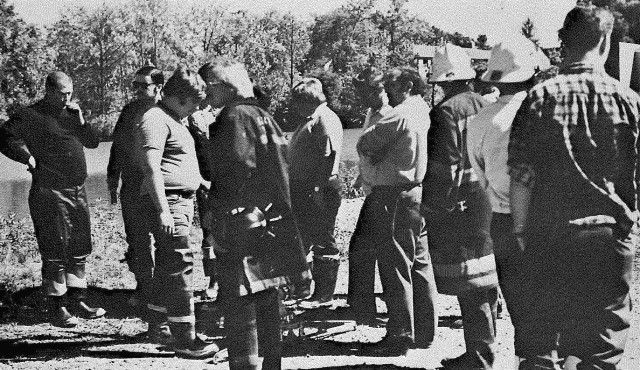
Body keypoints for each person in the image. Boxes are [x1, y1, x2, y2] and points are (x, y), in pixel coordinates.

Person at [508, 5, 639, 369]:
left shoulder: (539, 97)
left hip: (549, 232)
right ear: (606, 39)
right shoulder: (629, 101)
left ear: (564, 41)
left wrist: (520, 228)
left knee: (540, 339)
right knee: (600, 345)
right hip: (609, 234)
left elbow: (521, 174)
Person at [200, 58, 312, 370]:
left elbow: (236, 167)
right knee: (268, 292)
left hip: (243, 222)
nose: (205, 90)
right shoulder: (265, 116)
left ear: (226, 87)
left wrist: (217, 215)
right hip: (272, 219)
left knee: (240, 298)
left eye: (210, 85)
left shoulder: (234, 116)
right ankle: (271, 363)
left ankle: (244, 365)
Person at [0, 71, 106, 327]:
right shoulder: (30, 115)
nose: (66, 98)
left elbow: (93, 142)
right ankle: (57, 307)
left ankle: (77, 300)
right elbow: (4, 136)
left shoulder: (72, 115)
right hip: (49, 191)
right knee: (55, 251)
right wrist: (26, 157)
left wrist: (82, 122)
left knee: (79, 248)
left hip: (77, 189)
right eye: (61, 93)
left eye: (70, 93)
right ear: (48, 90)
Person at [466, 35, 546, 369]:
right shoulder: (546, 109)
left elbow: (478, 171)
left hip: (502, 217)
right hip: (548, 216)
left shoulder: (481, 119)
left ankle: (526, 362)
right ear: (533, 73)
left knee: (520, 307)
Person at [422, 43, 498, 370]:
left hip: (460, 204)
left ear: (441, 82)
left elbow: (444, 166)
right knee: (487, 275)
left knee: (471, 281)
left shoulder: (444, 112)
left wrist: (433, 207)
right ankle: (484, 349)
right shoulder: (484, 102)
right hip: (490, 198)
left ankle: (479, 357)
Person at [136, 66, 219, 358]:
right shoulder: (155, 119)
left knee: (169, 265)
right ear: (181, 98)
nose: (197, 108)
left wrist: (203, 183)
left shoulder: (174, 118)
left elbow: (180, 162)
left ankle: (159, 325)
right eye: (195, 102)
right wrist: (163, 211)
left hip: (180, 199)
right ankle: (186, 340)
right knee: (180, 264)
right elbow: (151, 167)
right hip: (169, 202)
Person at [356, 66, 438, 356]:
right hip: (416, 191)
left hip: (393, 193)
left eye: (391, 85)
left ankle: (400, 334)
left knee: (395, 266)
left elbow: (365, 142)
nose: (387, 92)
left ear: (406, 84)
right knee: (419, 263)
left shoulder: (400, 112)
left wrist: (375, 151)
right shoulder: (421, 109)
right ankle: (424, 332)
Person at [107, 66, 164, 312]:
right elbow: (117, 147)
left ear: (158, 87)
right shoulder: (130, 111)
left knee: (166, 240)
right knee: (138, 241)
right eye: (136, 85)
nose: (138, 90)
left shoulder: (168, 111)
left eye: (144, 85)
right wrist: (112, 179)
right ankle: (144, 289)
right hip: (132, 186)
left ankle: (164, 292)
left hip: (162, 186)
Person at [288, 78, 343, 306]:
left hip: (319, 188)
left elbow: (328, 156)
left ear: (308, 99)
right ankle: (305, 290)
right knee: (306, 238)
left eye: (298, 100)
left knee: (323, 239)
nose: (295, 106)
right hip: (307, 188)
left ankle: (324, 295)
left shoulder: (324, 118)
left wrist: (319, 188)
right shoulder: (312, 119)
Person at [343, 66, 392, 322]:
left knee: (367, 247)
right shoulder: (372, 112)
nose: (364, 98)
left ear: (381, 89)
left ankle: (367, 307)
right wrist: (361, 175)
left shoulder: (389, 113)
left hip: (385, 190)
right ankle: (362, 305)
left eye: (368, 92)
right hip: (373, 188)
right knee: (363, 247)